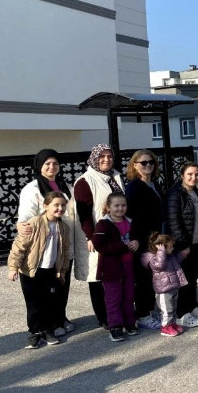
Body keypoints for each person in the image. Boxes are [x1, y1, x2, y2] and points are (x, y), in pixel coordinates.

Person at [16, 149, 83, 337]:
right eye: (47, 164)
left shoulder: (66, 186)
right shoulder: (32, 189)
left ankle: (60, 317)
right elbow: (27, 218)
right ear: (39, 166)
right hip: (44, 247)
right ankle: (45, 324)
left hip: (63, 244)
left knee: (61, 284)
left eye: (55, 163)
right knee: (43, 288)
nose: (52, 167)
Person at [7, 191, 70, 349]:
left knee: (50, 301)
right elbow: (19, 246)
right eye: (56, 205)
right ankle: (35, 332)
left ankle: (48, 330)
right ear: (46, 206)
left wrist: (62, 270)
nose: (60, 208)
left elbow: (64, 251)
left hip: (51, 271)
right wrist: (13, 267)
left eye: (63, 205)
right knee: (34, 303)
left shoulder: (63, 227)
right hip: (31, 270)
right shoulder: (34, 223)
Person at [74, 144, 125, 330]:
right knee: (98, 277)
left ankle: (116, 311)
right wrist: (90, 237)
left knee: (114, 275)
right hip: (97, 235)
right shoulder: (85, 181)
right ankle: (103, 317)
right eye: (102, 157)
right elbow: (84, 213)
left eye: (109, 156)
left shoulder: (115, 176)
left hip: (117, 234)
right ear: (94, 159)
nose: (106, 160)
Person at [125, 149, 164, 331]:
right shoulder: (134, 187)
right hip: (141, 240)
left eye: (151, 162)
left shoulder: (154, 184)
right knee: (143, 279)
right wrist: (137, 240)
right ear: (135, 165)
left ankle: (148, 309)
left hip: (154, 238)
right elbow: (132, 217)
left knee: (151, 276)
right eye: (143, 163)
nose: (148, 165)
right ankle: (142, 314)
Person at [92, 192, 140, 342]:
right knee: (113, 297)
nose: (120, 208)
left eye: (123, 205)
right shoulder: (103, 224)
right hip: (111, 268)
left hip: (129, 265)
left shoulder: (130, 221)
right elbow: (99, 244)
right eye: (116, 206)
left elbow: (137, 237)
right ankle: (115, 326)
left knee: (129, 295)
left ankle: (129, 322)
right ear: (108, 207)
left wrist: (137, 242)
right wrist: (122, 247)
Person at [166, 162, 198, 328]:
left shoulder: (195, 192)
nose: (194, 177)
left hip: (196, 243)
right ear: (182, 175)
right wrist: (183, 244)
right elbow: (173, 221)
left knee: (193, 279)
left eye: (197, 174)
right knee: (184, 281)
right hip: (183, 246)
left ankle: (192, 307)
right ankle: (181, 314)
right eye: (190, 174)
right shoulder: (175, 194)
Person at [142, 232, 187, 337]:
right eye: (170, 247)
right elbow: (160, 266)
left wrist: (182, 254)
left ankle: (172, 324)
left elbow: (177, 262)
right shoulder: (153, 258)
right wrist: (161, 252)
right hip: (164, 289)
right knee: (167, 310)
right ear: (161, 247)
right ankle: (165, 327)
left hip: (173, 286)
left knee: (173, 307)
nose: (172, 249)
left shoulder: (169, 256)